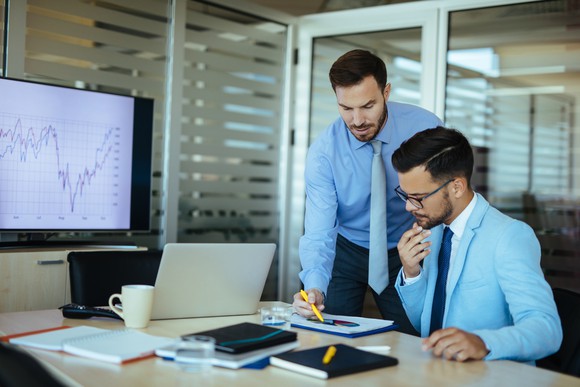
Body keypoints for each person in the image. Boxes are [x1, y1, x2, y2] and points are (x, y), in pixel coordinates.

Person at [292, 49, 442, 335]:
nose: (357, 120)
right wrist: (314, 285)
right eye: (346, 108)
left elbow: (444, 203)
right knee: (327, 336)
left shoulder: (426, 129)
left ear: (386, 92)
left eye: (367, 105)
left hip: (406, 247)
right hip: (346, 250)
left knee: (414, 336)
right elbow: (318, 231)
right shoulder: (324, 153)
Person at [391, 126, 562, 362]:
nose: (408, 207)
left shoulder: (509, 236)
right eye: (405, 195)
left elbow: (547, 331)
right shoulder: (434, 231)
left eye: (418, 198)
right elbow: (425, 323)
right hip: (435, 371)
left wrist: (483, 342)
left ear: (457, 187)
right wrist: (412, 273)